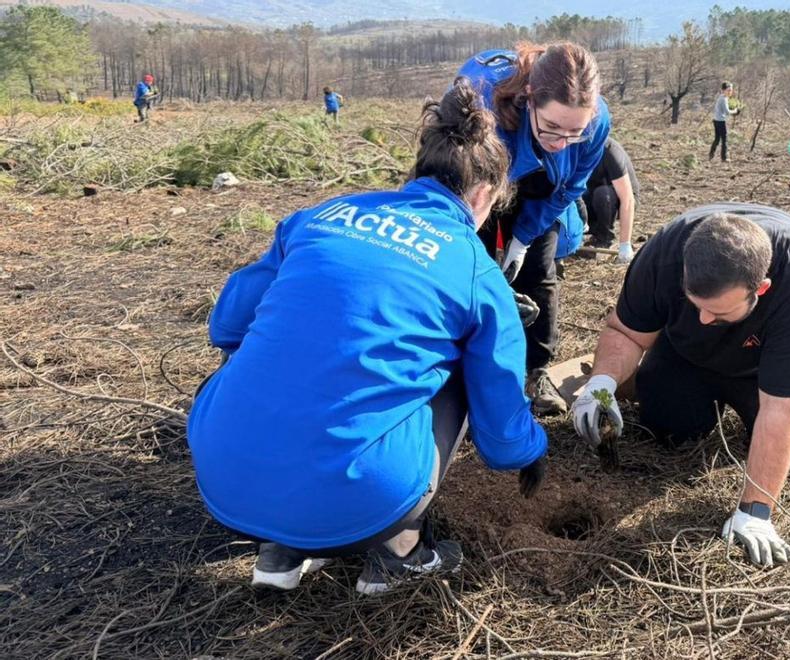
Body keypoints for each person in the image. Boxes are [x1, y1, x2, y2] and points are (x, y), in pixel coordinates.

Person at [187, 79, 548, 595]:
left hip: (224, 477)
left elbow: (227, 325)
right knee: (462, 372)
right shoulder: (472, 266)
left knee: (285, 346)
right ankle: (401, 552)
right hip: (361, 500)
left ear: (417, 171)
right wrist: (530, 449)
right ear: (484, 194)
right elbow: (501, 430)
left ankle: (281, 551)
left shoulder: (322, 215)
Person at [570, 203, 790, 567]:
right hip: (687, 353)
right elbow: (626, 332)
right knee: (669, 428)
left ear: (762, 288)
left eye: (720, 312)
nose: (705, 318)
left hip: (764, 366)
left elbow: (781, 411)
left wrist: (755, 512)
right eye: (695, 305)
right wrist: (600, 385)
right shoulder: (665, 254)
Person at [457, 43, 610, 415]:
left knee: (538, 273)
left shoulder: (596, 122)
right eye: (552, 127)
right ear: (529, 99)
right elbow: (456, 188)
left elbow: (572, 185)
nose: (561, 142)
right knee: (469, 271)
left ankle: (536, 371)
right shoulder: (484, 110)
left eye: (574, 131)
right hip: (478, 181)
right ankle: (464, 367)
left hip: (542, 190)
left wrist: (523, 237)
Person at [582, 137, 639, 263]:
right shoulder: (573, 147)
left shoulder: (609, 151)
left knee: (602, 194)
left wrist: (625, 245)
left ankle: (604, 238)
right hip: (590, 193)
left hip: (616, 198)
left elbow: (628, 199)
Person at [710, 81, 739, 162]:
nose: (730, 92)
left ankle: (711, 155)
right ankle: (724, 158)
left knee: (717, 139)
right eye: (728, 90)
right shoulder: (723, 99)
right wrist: (735, 111)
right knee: (724, 139)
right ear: (723, 90)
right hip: (720, 121)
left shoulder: (721, 97)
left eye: (731, 90)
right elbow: (727, 112)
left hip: (716, 120)